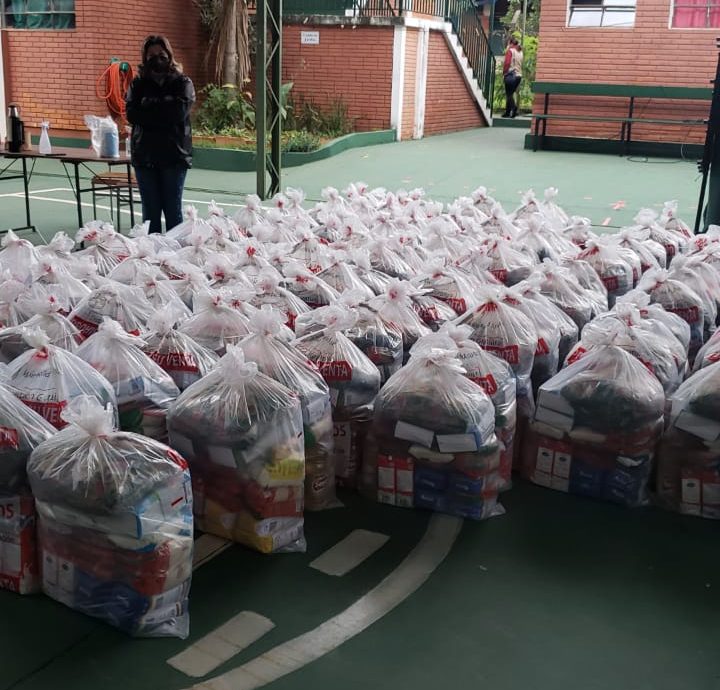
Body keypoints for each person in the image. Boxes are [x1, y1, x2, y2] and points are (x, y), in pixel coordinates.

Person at [126, 35, 195, 233]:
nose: (157, 59)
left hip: (174, 155)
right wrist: (164, 105)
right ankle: (151, 251)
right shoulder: (137, 84)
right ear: (145, 58)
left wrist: (149, 106)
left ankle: (176, 251)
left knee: (173, 211)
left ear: (169, 55)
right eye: (151, 55)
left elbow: (178, 113)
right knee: (150, 213)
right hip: (145, 156)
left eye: (161, 54)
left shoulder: (183, 82)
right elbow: (132, 114)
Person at [503, 36, 523, 119]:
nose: (508, 45)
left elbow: (507, 63)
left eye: (508, 43)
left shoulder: (510, 51)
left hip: (511, 75)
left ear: (511, 43)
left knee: (509, 94)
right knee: (510, 93)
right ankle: (507, 112)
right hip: (518, 76)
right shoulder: (520, 52)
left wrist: (504, 73)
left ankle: (514, 108)